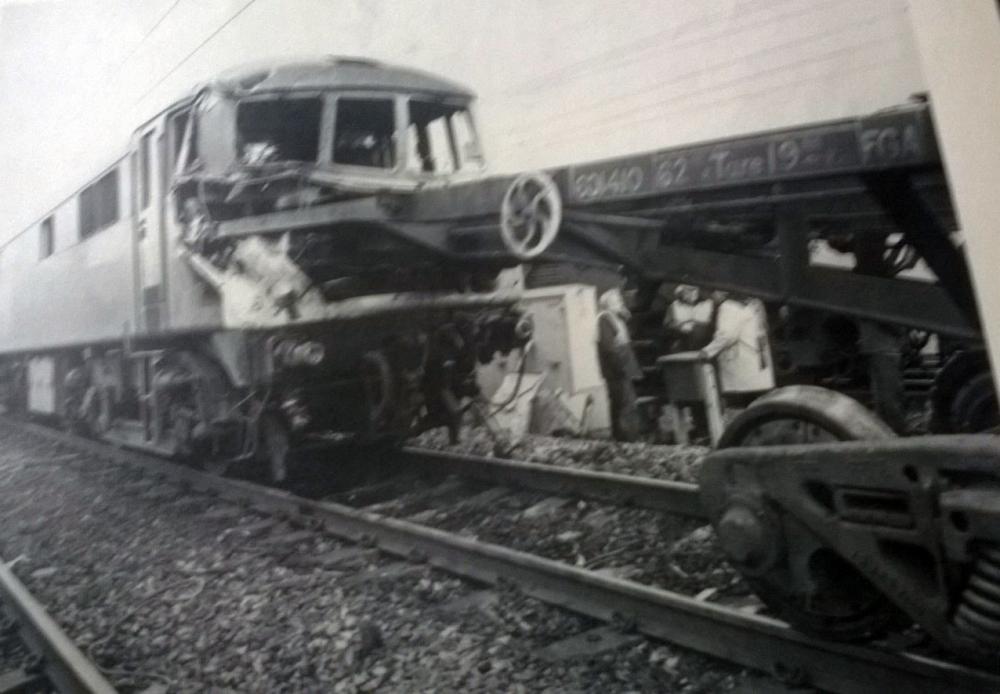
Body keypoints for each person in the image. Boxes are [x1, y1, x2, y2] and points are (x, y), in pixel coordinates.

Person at [700, 292, 775, 406]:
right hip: (758, 365)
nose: (712, 296)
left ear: (723, 292)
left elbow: (727, 335)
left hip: (741, 367)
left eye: (714, 292)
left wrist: (707, 351)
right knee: (757, 406)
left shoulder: (729, 306)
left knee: (740, 408)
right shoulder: (756, 304)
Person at [597, 288, 643, 441]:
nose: (621, 303)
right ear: (608, 304)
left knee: (625, 403)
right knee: (623, 404)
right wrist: (621, 366)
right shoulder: (604, 319)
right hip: (616, 370)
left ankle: (626, 437)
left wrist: (624, 313)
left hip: (622, 369)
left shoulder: (616, 318)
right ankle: (626, 438)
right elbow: (609, 348)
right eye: (617, 301)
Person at [663, 284, 715, 353]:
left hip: (705, 339)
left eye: (695, 289)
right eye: (689, 290)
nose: (693, 293)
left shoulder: (709, 303)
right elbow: (667, 324)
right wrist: (679, 327)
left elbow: (714, 321)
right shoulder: (674, 306)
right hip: (682, 337)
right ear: (681, 293)